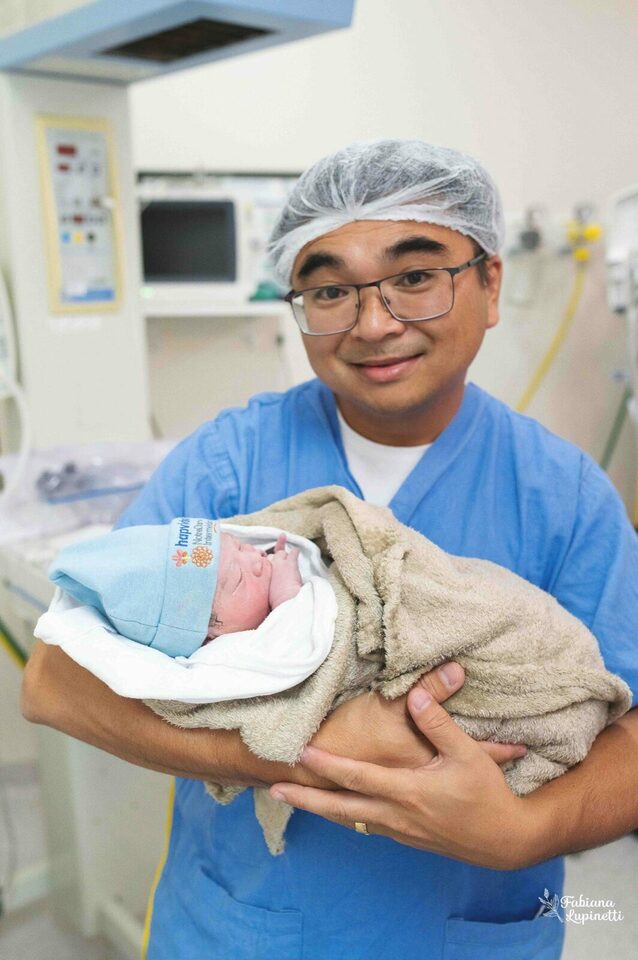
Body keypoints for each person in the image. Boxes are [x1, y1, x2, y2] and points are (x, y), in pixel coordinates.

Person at [22, 139, 638, 960]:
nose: (374, 324)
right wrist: (305, 751)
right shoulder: (229, 463)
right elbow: (54, 683)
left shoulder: (565, 498)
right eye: (330, 290)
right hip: (241, 934)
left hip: (463, 938)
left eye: (415, 277)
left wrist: (524, 831)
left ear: (490, 284)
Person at [47, 520, 303, 654]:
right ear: (207, 637)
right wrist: (287, 598)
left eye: (241, 546)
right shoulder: (223, 658)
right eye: (238, 580)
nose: (256, 557)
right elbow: (292, 647)